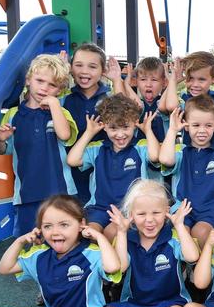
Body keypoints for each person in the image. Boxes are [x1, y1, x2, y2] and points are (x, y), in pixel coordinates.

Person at [0, 195, 120, 307]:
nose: (55, 232)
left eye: (64, 225)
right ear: (39, 229)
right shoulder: (39, 255)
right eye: (47, 226)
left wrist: (99, 237)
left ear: (81, 225)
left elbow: (113, 267)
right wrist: (19, 241)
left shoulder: (91, 253)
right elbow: (4, 268)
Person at [84, 179, 200, 307]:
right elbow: (120, 268)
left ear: (167, 212)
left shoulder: (174, 238)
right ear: (130, 215)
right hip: (136, 304)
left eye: (156, 213)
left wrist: (179, 225)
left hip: (170, 303)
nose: (149, 220)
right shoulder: (126, 239)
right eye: (141, 214)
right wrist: (121, 232)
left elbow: (192, 256)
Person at [0, 54, 78, 237]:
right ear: (28, 80)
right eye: (40, 80)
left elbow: (65, 135)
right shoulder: (13, 115)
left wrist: (55, 105)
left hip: (59, 191)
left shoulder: (60, 112)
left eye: (52, 85)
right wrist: (1, 139)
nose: (44, 88)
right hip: (26, 194)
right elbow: (1, 150)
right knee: (29, 242)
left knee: (62, 240)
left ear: (60, 90)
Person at [66, 94, 160, 242]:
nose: (120, 134)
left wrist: (148, 130)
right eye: (113, 128)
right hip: (99, 208)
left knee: (111, 233)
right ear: (104, 126)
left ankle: (116, 264)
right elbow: (72, 160)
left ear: (135, 123)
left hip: (128, 210)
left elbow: (155, 156)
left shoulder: (140, 147)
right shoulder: (97, 149)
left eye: (125, 127)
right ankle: (102, 264)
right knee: (89, 233)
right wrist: (89, 133)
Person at [159, 94, 214, 246]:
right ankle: (187, 265)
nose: (202, 130)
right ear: (186, 125)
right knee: (180, 229)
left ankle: (197, 266)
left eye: (208, 126)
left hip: (211, 209)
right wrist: (172, 130)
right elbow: (165, 159)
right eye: (196, 125)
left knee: (201, 232)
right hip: (183, 207)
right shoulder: (181, 152)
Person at [62, 43, 124, 204]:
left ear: (103, 71)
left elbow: (123, 112)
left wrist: (117, 79)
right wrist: (60, 73)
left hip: (103, 168)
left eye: (92, 66)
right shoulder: (64, 98)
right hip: (70, 169)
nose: (84, 71)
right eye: (78, 65)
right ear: (70, 68)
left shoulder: (109, 98)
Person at [123, 57, 168, 142]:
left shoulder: (165, 103)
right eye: (143, 79)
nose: (148, 84)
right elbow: (138, 105)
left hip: (162, 150)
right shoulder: (135, 103)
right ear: (135, 82)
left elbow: (163, 105)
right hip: (138, 152)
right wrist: (127, 85)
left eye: (154, 80)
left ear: (164, 82)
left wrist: (171, 84)